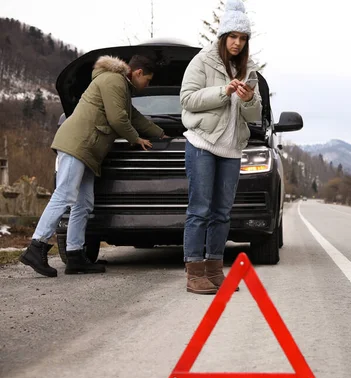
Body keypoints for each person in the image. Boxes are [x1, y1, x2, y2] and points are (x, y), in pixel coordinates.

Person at [19, 54, 169, 277]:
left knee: (84, 203)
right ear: (137, 73)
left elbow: (134, 117)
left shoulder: (122, 89)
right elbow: (118, 119)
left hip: (89, 151)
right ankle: (36, 246)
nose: (147, 85)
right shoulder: (114, 80)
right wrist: (136, 139)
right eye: (147, 79)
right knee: (65, 194)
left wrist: (161, 134)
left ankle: (75, 255)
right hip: (77, 144)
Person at [180, 0, 262, 295]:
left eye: (243, 39)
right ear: (223, 37)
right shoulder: (202, 61)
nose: (238, 43)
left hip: (230, 150)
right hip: (202, 144)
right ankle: (194, 273)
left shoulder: (249, 69)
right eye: (233, 37)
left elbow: (255, 115)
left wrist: (250, 98)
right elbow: (187, 100)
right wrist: (223, 91)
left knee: (222, 213)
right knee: (200, 210)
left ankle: (215, 271)